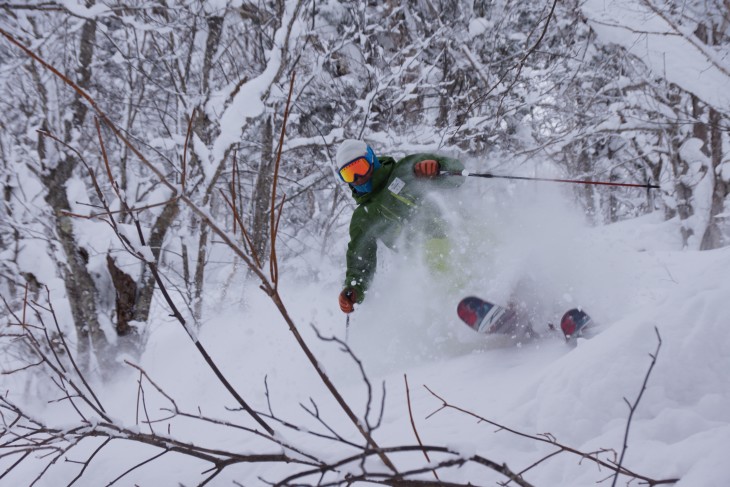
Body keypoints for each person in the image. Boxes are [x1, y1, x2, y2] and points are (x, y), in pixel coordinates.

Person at [335, 139, 465, 314]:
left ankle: (507, 285)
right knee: (435, 257)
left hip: (457, 229)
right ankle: (469, 303)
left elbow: (458, 176)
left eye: (360, 167)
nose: (358, 178)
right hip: (427, 257)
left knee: (481, 237)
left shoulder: (405, 170)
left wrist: (437, 167)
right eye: (349, 174)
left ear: (372, 159)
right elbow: (361, 262)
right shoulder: (363, 217)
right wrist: (353, 289)